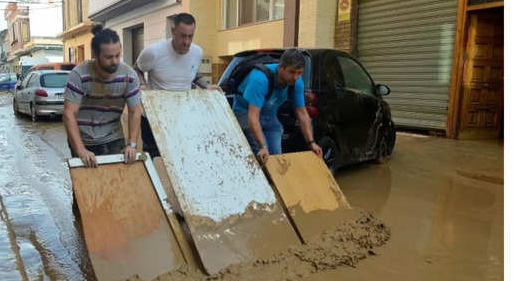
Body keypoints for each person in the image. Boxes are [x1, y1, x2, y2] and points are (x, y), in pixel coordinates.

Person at [134, 12, 219, 157]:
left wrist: (206, 86)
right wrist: (143, 86)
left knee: (181, 156)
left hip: (182, 116)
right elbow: (136, 69)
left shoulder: (197, 52)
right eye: (182, 36)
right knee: (157, 161)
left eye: (190, 36)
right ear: (173, 31)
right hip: (154, 118)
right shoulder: (153, 52)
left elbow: (193, 74)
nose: (186, 42)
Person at [63, 25, 142, 168]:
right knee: (85, 188)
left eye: (118, 55)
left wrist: (132, 144)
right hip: (83, 140)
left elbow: (135, 111)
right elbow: (69, 114)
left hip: (113, 137)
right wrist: (81, 151)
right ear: (94, 54)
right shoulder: (79, 74)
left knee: (117, 185)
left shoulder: (129, 76)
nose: (115, 62)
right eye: (108, 57)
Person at [232, 48, 322, 163]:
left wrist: (311, 143)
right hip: (245, 113)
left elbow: (302, 113)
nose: (295, 77)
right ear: (281, 67)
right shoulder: (260, 79)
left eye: (299, 73)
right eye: (292, 72)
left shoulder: (296, 82)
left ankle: (273, 179)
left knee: (276, 158)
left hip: (269, 114)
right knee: (263, 158)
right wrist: (262, 147)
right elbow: (253, 117)